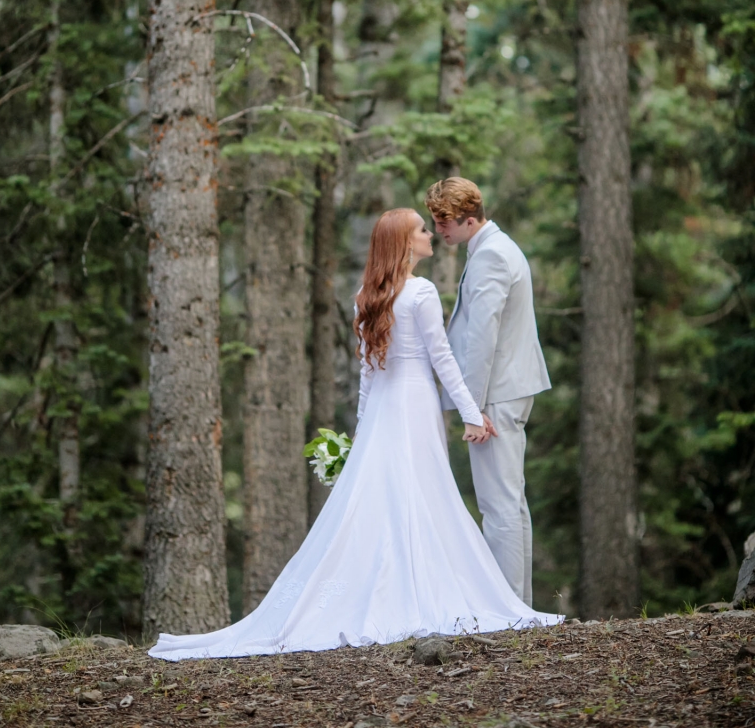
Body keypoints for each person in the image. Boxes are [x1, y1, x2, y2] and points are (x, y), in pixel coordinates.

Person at [148, 208, 559, 661]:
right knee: (423, 494)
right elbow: (442, 361)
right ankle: (413, 592)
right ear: (404, 243)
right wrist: (472, 414)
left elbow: (368, 371)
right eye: (422, 230)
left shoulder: (366, 294)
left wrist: (363, 427)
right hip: (415, 405)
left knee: (387, 499)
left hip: (384, 409)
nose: (429, 235)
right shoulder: (421, 293)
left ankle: (385, 588)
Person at [426, 178, 551, 607]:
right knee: (509, 503)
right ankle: (517, 604)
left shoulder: (492, 256)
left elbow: (483, 337)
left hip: (496, 392)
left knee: (498, 505)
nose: (438, 230)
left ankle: (507, 608)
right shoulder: (493, 248)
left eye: (443, 221)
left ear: (469, 219)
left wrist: (472, 408)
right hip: (506, 388)